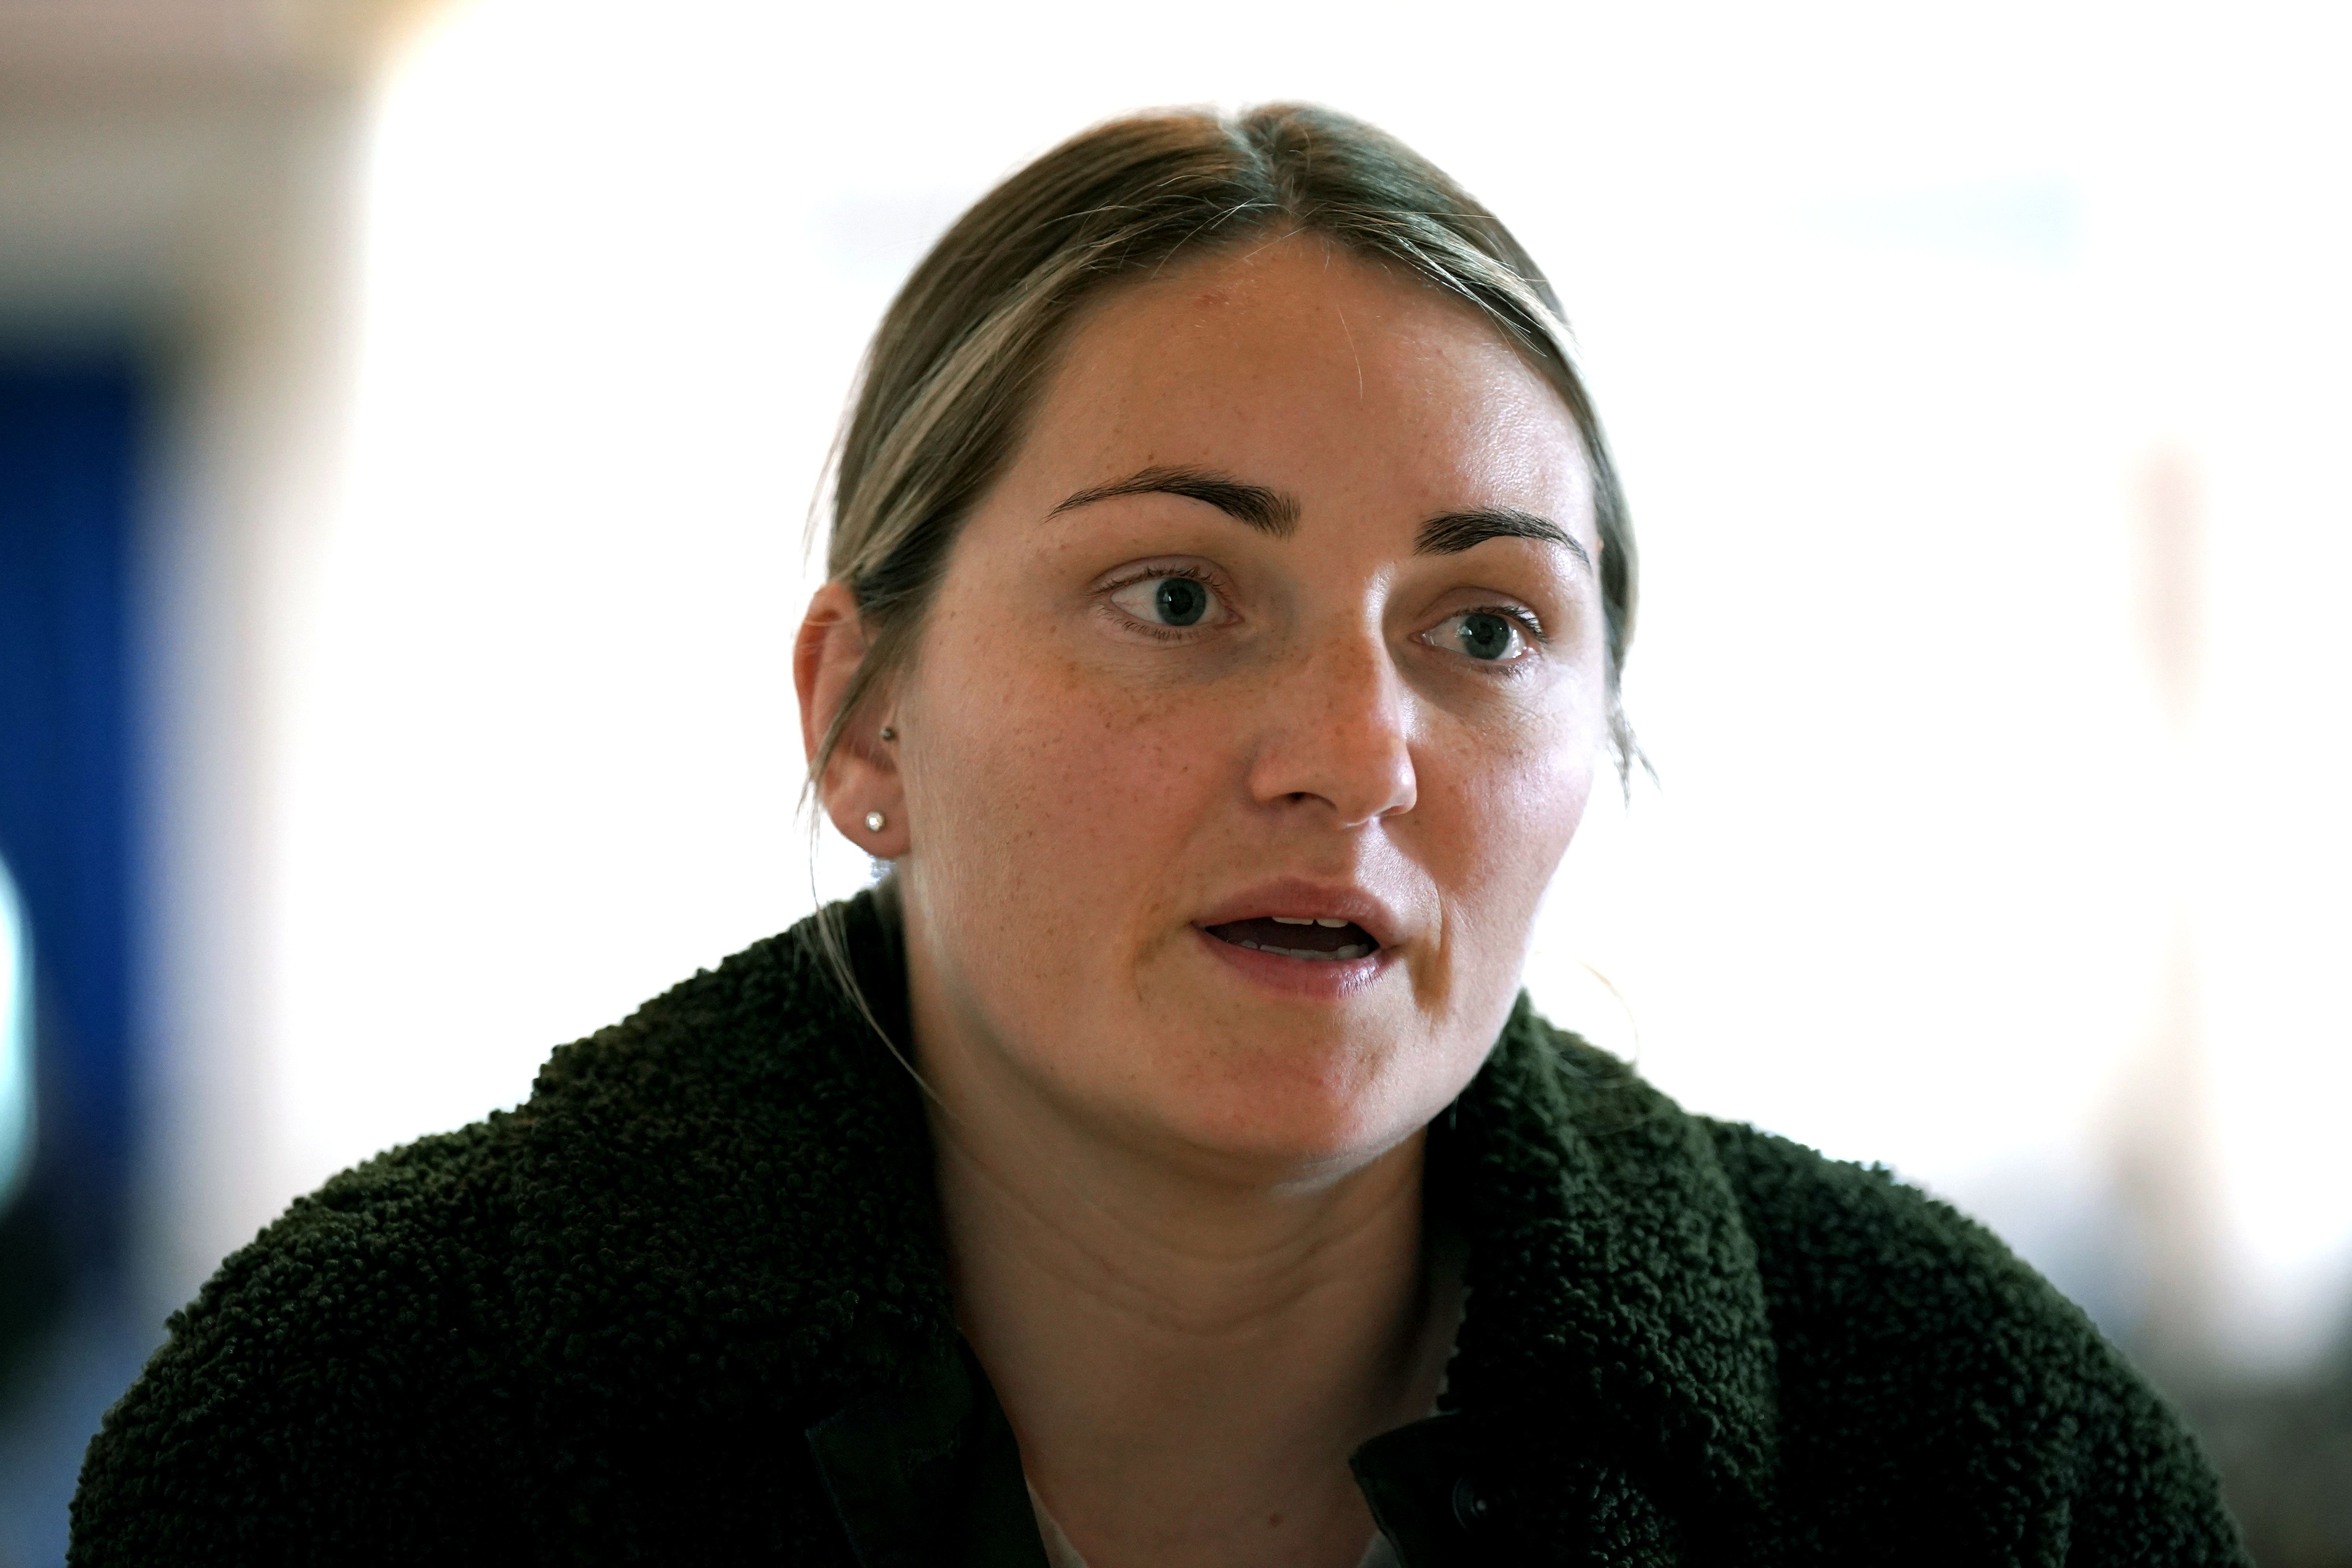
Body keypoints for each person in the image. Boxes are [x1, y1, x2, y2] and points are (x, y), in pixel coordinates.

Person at [70, 105, 2244, 1568]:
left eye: (1484, 626)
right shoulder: (375, 1440)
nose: (1355, 754)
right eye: (1183, 598)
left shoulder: (1971, 1459)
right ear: (860, 712)